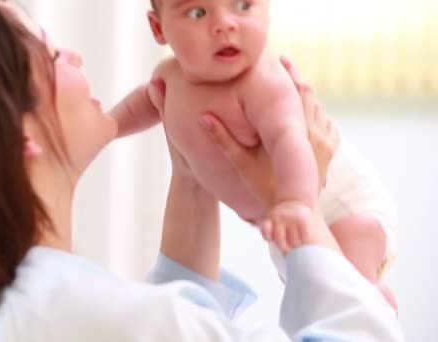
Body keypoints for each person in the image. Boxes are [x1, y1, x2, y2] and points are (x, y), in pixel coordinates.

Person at [0, 0, 402, 341]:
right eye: (53, 56)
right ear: (19, 134)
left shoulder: (25, 309)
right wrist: (309, 229)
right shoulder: (92, 316)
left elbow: (180, 305)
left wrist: (193, 175)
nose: (75, 58)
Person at [113, 0, 399, 307]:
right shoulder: (169, 76)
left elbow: (288, 139)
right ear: (159, 28)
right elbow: (144, 104)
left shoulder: (263, 81)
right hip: (281, 220)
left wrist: (294, 202)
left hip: (341, 207)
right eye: (197, 13)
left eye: (243, 5)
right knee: (311, 291)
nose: (225, 24)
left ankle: (372, 297)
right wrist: (109, 125)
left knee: (347, 275)